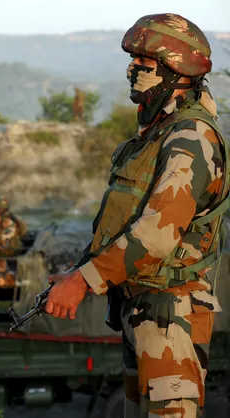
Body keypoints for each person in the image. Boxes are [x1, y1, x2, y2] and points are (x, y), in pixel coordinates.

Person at [43, 13, 227, 418]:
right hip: (143, 310)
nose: (132, 71)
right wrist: (83, 270)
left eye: (143, 65)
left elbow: (156, 235)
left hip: (170, 316)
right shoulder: (155, 135)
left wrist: (82, 281)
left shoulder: (190, 139)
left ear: (174, 70)